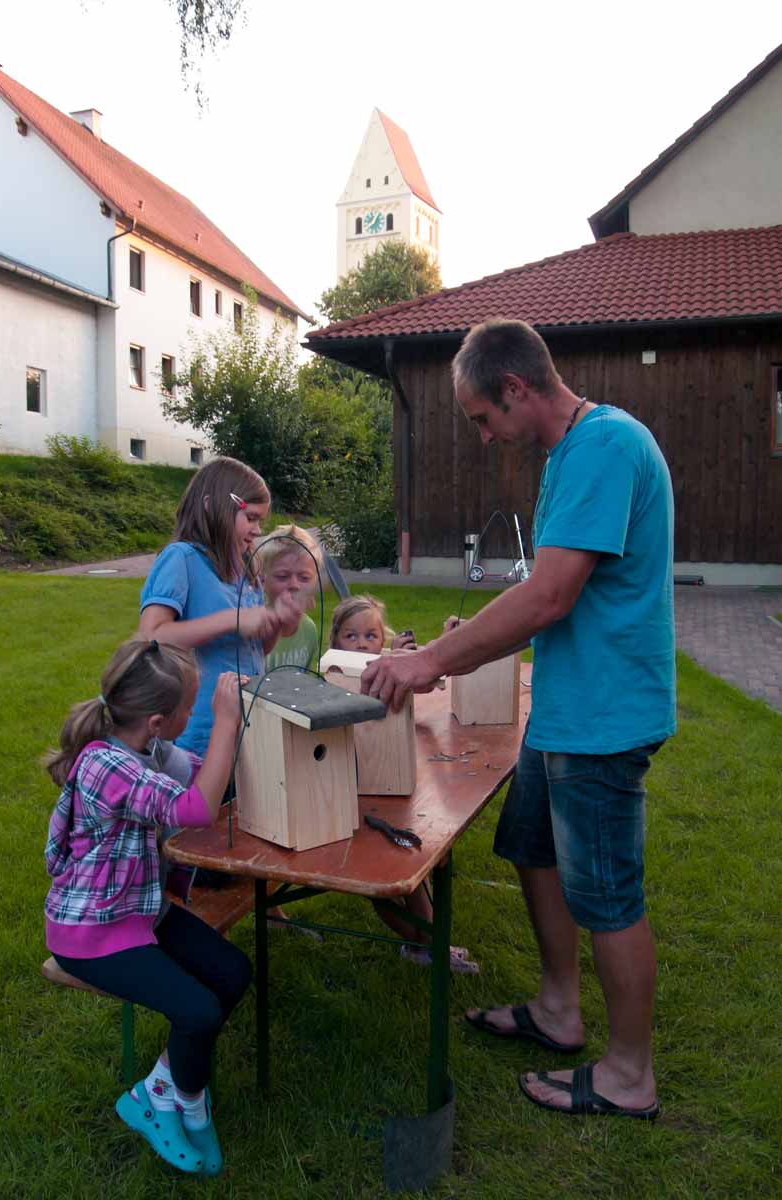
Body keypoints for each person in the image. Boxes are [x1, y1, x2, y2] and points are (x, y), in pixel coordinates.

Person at [361, 318, 675, 1120]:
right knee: (532, 845)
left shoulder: (604, 447)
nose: (483, 435)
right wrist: (458, 641)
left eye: (482, 417)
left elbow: (550, 596)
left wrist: (433, 662)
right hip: (568, 707)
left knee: (607, 894)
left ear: (515, 388)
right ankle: (559, 1009)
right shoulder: (571, 453)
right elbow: (545, 594)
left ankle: (630, 1076)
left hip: (604, 717)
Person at [43, 639, 251, 1174]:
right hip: (91, 932)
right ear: (158, 721)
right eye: (191, 709)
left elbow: (205, 776)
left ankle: (161, 1087)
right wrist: (226, 721)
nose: (195, 716)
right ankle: (184, 1104)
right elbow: (197, 808)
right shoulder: (106, 765)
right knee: (198, 1010)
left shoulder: (151, 750)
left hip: (140, 912)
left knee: (232, 972)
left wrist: (251, 732)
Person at [330, 594, 479, 975]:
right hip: (353, 797)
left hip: (392, 787)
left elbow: (426, 683)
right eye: (351, 636)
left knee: (412, 862)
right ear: (335, 641)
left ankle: (427, 945)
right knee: (376, 881)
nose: (361, 644)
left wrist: (414, 653)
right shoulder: (335, 678)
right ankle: (426, 944)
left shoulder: (385, 669)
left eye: (370, 636)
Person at [138, 457, 298, 757]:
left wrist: (276, 621)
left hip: (246, 724)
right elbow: (150, 637)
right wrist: (232, 619)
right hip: (196, 734)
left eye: (261, 521)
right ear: (212, 507)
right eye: (251, 518)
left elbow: (255, 650)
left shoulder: (247, 568)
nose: (257, 530)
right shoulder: (182, 559)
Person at [257, 524, 322, 672]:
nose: (294, 585)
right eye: (282, 576)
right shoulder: (256, 629)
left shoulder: (309, 630)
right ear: (262, 581)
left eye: (304, 578)